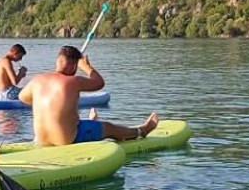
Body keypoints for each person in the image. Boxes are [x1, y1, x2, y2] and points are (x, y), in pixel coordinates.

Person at [20, 45, 159, 147]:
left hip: (41, 140)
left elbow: (22, 97)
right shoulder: (73, 81)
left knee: (72, 116)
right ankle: (142, 131)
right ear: (74, 65)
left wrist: (45, 102)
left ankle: (90, 123)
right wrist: (86, 66)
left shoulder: (37, 80)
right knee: (108, 128)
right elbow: (99, 83)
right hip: (67, 140)